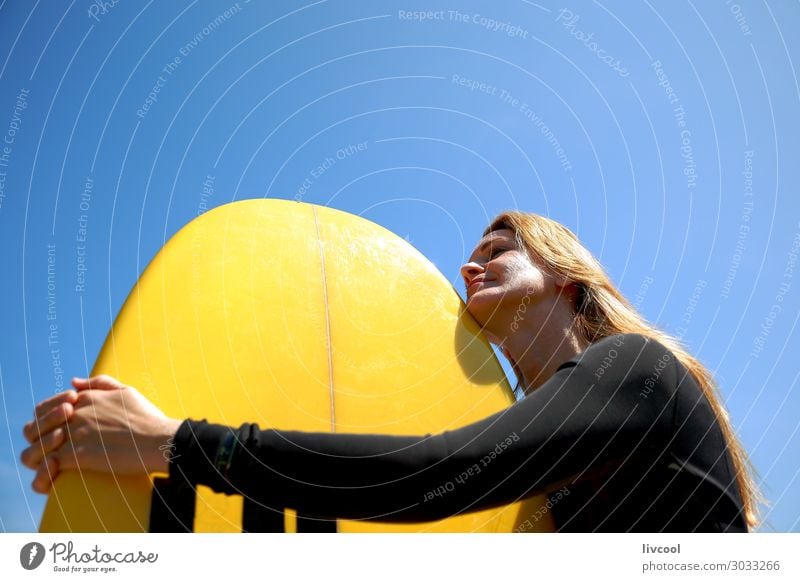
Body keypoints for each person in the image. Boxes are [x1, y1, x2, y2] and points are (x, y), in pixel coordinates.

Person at [21, 211, 760, 532]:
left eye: (498, 250)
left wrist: (174, 444)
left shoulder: (638, 369)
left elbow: (430, 475)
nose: (470, 263)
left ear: (564, 274)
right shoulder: (548, 484)